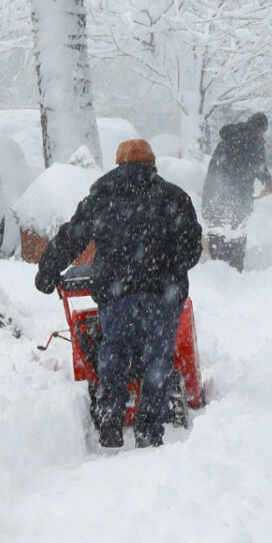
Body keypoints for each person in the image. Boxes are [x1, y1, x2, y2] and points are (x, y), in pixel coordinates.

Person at [34, 139, 202, 448]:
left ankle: (110, 417)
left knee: (114, 350)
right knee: (158, 356)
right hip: (161, 293)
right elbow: (192, 248)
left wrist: (48, 270)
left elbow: (73, 236)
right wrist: (167, 267)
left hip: (117, 291)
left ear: (119, 164)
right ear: (152, 165)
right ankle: (149, 429)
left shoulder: (102, 197)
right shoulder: (173, 197)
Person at [199, 112, 272, 270]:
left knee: (218, 225)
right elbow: (259, 166)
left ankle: (216, 262)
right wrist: (269, 183)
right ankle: (234, 266)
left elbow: (214, 167)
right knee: (237, 228)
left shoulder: (227, 138)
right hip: (239, 192)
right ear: (261, 128)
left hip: (215, 191)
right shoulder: (254, 141)